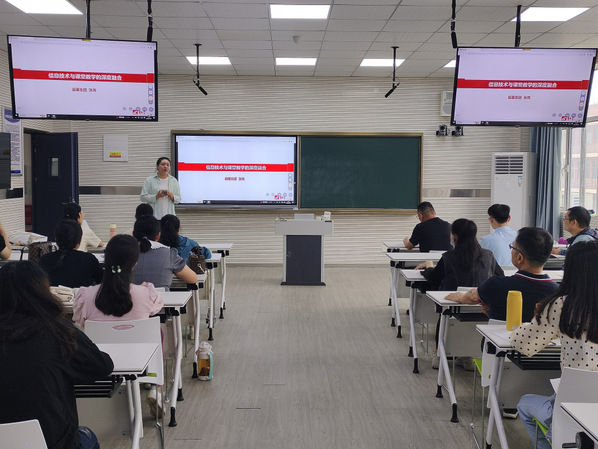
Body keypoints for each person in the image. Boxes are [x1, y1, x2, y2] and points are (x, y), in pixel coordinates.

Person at [0, 261, 114, 449]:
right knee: (87, 435)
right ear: (43, 292)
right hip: (56, 443)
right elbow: (103, 366)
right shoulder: (58, 332)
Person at [510, 241, 598, 449]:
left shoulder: (561, 305)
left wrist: (538, 317)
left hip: (570, 410)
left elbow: (521, 343)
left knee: (524, 403)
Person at [417, 219, 503, 370]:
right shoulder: (488, 255)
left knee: (444, 313)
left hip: (453, 308)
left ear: (454, 236)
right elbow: (500, 276)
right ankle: (467, 355)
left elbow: (434, 278)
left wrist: (429, 266)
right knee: (468, 318)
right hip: (483, 309)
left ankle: (439, 354)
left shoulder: (448, 257)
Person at [447, 227, 558, 322]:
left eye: (512, 247)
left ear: (519, 258)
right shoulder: (558, 292)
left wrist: (461, 297)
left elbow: (472, 297)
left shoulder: (496, 285)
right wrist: (493, 313)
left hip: (498, 340)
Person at [73, 234, 163, 328]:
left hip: (96, 338)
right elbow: (156, 307)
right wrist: (143, 288)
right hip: (138, 338)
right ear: (134, 264)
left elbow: (79, 323)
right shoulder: (148, 295)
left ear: (106, 259)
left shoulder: (85, 297)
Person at [132, 215, 197, 289]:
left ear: (133, 234)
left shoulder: (125, 253)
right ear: (158, 235)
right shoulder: (169, 254)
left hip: (130, 296)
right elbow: (193, 278)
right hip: (162, 296)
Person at [40, 220, 103, 288]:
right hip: (80, 295)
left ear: (56, 239)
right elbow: (103, 281)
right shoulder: (89, 259)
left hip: (51, 295)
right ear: (80, 240)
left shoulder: (44, 260)